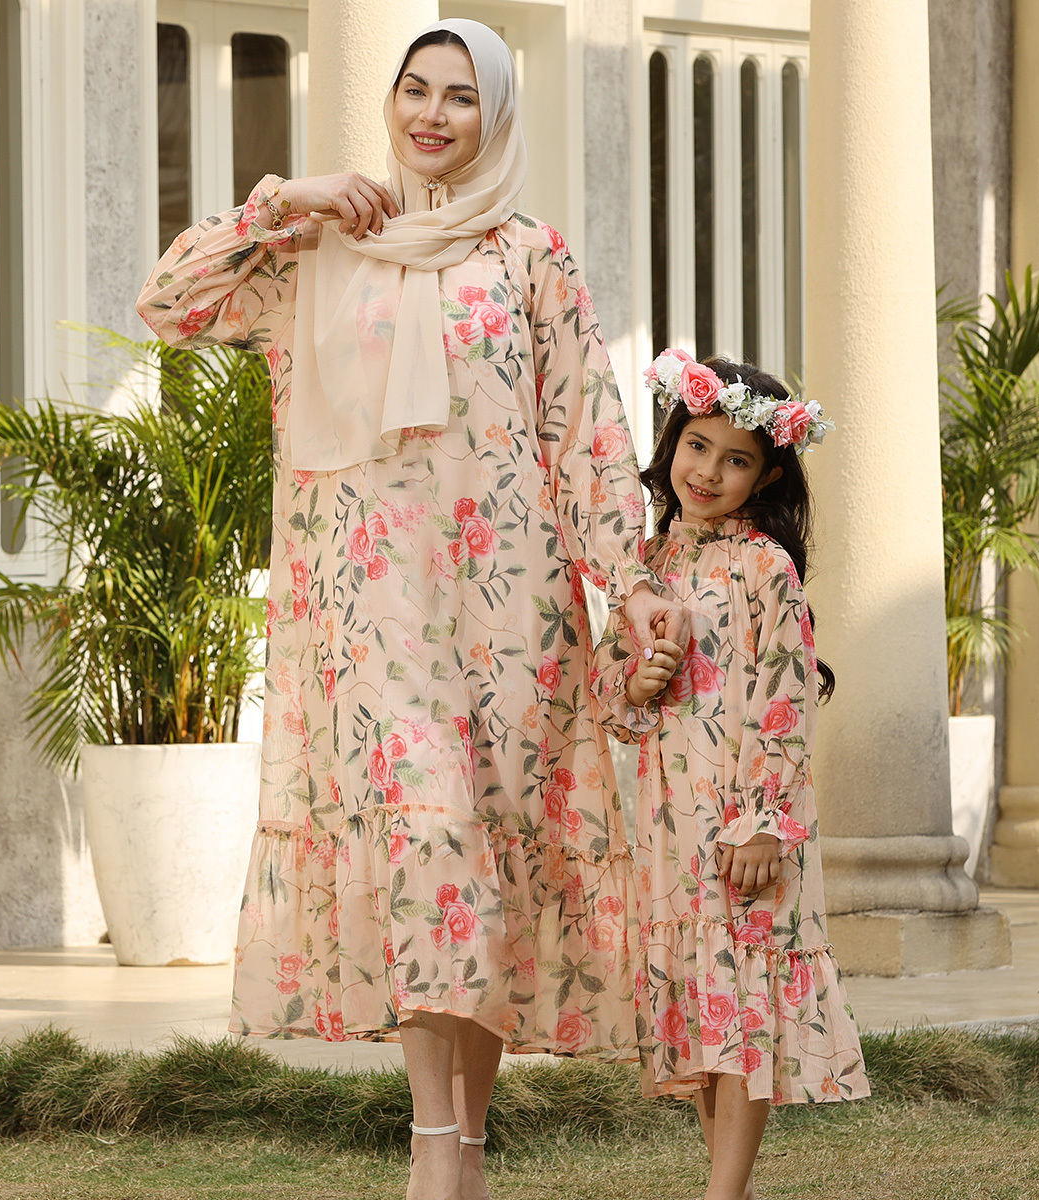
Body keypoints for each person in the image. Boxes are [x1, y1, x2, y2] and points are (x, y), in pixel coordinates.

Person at [137, 19, 680, 1200]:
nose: (433, 114)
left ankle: (465, 1152)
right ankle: (436, 1149)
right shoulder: (318, 247)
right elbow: (169, 301)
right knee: (426, 853)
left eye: (461, 97)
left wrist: (630, 586)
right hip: (369, 612)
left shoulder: (531, 257)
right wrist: (286, 201)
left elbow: (586, 439)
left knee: (487, 877)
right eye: (416, 90)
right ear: (389, 102)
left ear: (496, 116)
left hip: (512, 615)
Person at [592, 352, 869, 1200]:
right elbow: (610, 692)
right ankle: (730, 1189)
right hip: (670, 828)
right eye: (697, 446)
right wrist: (637, 682)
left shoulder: (764, 567)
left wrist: (760, 824)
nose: (709, 471)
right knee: (706, 1010)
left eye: (736, 459)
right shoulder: (645, 567)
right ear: (672, 444)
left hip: (747, 827)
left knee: (746, 1007)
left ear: (768, 474)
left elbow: (786, 700)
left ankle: (722, 1194)